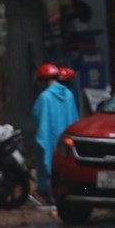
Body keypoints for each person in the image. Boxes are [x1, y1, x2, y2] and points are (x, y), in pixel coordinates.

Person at [30, 63, 80, 202]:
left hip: (49, 137)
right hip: (65, 140)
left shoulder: (44, 97)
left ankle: (46, 193)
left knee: (46, 163)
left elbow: (36, 114)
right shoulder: (69, 95)